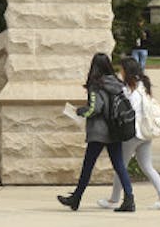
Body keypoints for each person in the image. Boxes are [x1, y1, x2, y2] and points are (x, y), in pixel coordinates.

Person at [57, 53, 136, 212]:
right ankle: (129, 199)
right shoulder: (116, 83)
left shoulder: (96, 85)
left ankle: (76, 198)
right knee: (119, 165)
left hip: (99, 133)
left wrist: (80, 112)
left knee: (88, 166)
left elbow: (95, 108)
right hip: (115, 130)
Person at [97, 57, 160, 211]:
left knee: (120, 166)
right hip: (146, 133)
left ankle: (114, 199)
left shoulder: (129, 90)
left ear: (126, 71)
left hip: (132, 134)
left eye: (121, 69)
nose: (120, 72)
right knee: (147, 166)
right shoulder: (143, 86)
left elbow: (128, 111)